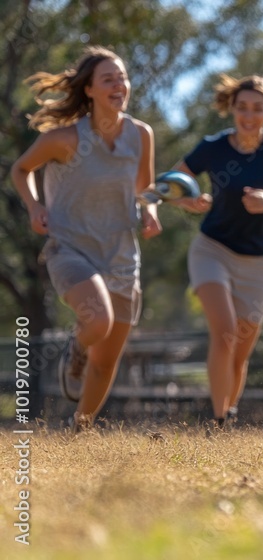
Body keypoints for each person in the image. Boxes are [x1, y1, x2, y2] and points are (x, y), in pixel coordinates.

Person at [11, 46, 162, 430]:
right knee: (98, 322)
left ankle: (80, 430)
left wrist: (151, 211)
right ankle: (73, 351)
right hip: (71, 249)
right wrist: (34, 207)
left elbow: (144, 188)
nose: (119, 85)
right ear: (90, 90)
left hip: (122, 256)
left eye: (122, 77)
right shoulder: (65, 139)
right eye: (108, 79)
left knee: (107, 359)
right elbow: (21, 168)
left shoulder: (141, 134)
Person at [171, 74, 263, 428]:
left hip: (259, 260)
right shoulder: (213, 147)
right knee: (225, 332)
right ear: (232, 109)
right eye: (242, 107)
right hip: (212, 249)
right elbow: (172, 183)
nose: (248, 115)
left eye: (257, 108)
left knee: (240, 351)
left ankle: (228, 414)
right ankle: (217, 419)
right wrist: (189, 201)